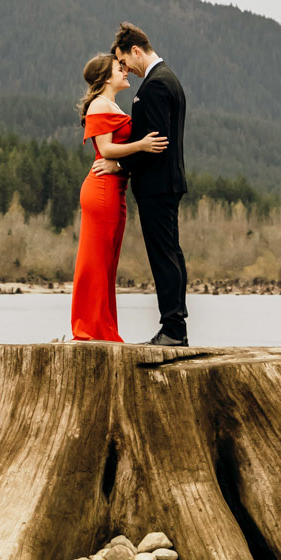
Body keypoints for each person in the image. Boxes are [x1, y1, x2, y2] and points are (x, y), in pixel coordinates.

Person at [97, 22, 189, 345]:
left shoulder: (156, 86)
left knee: (164, 256)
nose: (125, 69)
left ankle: (173, 330)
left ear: (136, 51)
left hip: (157, 186)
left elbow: (155, 143)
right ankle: (176, 328)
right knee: (171, 254)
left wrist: (118, 163)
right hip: (167, 183)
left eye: (124, 62)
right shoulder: (170, 80)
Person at [68, 52, 168, 342]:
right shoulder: (100, 105)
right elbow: (107, 150)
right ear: (105, 77)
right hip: (102, 191)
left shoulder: (109, 104)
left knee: (106, 264)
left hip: (114, 190)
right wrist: (142, 145)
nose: (125, 70)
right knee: (95, 262)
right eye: (119, 67)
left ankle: (104, 329)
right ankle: (88, 329)